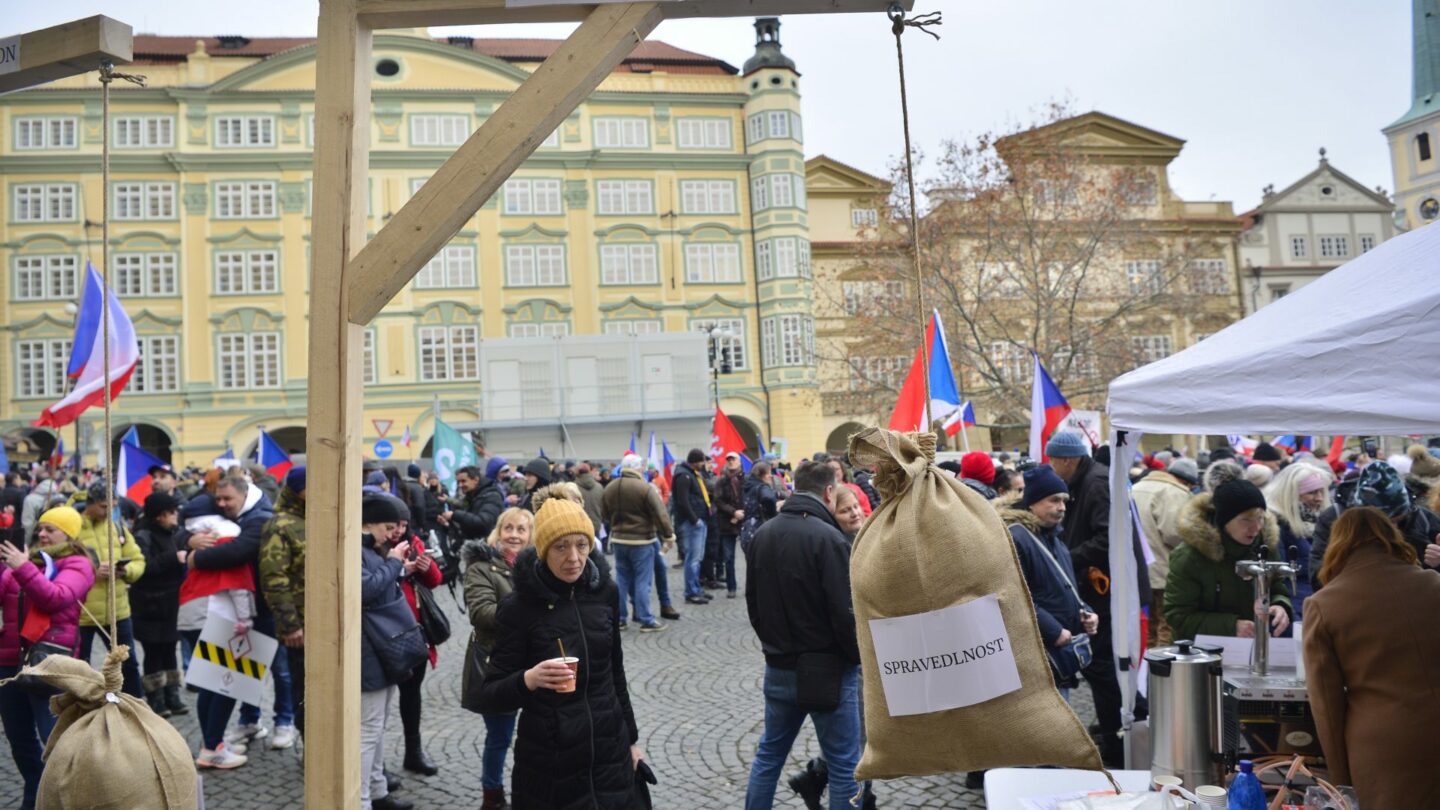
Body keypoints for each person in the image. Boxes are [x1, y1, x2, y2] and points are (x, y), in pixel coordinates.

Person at [476, 498, 646, 809]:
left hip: (610, 752)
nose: (574, 557)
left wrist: (631, 741)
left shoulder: (605, 593)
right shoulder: (519, 608)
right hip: (551, 762)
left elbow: (615, 672)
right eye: (561, 547)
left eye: (582, 545)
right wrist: (529, 678)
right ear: (542, 549)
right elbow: (489, 694)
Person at [1303, 507, 1440, 806]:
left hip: (1383, 749)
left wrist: (1341, 780)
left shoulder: (1323, 605)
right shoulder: (1433, 584)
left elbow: (1326, 704)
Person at [745, 461, 861, 810]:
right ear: (829, 492)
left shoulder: (763, 534)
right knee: (844, 765)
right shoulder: (829, 539)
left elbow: (753, 606)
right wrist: (855, 657)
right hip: (828, 670)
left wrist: (773, 646)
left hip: (779, 665)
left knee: (769, 755)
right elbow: (844, 613)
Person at [1043, 431, 1139, 766]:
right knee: (1102, 665)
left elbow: (1108, 538)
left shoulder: (1095, 482)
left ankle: (1117, 744)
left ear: (1068, 460)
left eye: (1053, 461)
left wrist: (1067, 558)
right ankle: (1121, 728)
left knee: (1101, 665)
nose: (1051, 467)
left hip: (1103, 590)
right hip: (1094, 586)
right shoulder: (1086, 480)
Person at [186, 475, 294, 751]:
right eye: (219, 499)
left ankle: (283, 722)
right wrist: (191, 540)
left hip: (262, 612)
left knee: (272, 673)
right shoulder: (232, 515)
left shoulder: (260, 518)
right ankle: (232, 733)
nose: (222, 505)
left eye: (227, 499)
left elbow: (236, 551)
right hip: (235, 613)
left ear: (245, 495)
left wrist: (194, 558)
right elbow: (187, 524)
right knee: (227, 680)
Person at [0, 506, 96, 810]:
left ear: (68, 534)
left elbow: (55, 598)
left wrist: (22, 567)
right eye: (40, 528)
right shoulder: (31, 561)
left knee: (55, 742)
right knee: (19, 740)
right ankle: (36, 793)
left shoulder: (78, 564)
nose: (42, 534)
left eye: (50, 530)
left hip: (49, 663)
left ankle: (63, 800)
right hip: (10, 660)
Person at [1000, 466, 1104, 699]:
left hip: (1057, 650)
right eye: (1054, 500)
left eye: (1065, 501)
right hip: (1037, 653)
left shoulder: (1053, 536)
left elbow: (1065, 587)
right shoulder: (1017, 538)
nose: (1062, 507)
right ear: (1033, 502)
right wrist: (1053, 630)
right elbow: (1013, 596)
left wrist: (1085, 612)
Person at [462, 507, 534, 810]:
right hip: (496, 664)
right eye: (508, 528)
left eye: (521, 529)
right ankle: (492, 795)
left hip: (533, 662)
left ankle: (533, 791)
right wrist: (527, 609)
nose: (514, 535)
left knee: (537, 734)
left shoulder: (537, 565)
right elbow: (481, 614)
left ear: (531, 534)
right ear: (498, 531)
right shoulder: (481, 567)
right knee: (500, 736)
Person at [1167, 479, 1292, 639]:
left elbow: (1277, 587)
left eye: (1260, 518)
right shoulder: (1190, 557)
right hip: (1201, 652)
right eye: (1246, 520)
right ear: (1224, 521)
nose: (1256, 528)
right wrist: (1231, 626)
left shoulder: (1264, 546)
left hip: (1254, 645)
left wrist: (1279, 605)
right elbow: (1178, 615)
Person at [359, 495, 419, 810]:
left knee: (377, 726)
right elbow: (366, 589)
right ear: (368, 522)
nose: (390, 534)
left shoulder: (370, 548)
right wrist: (394, 562)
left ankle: (377, 792)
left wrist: (398, 566)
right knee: (368, 730)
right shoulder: (356, 548)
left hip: (380, 647)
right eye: (387, 526)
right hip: (369, 648)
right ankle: (361, 801)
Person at [384, 497, 444, 777]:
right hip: (383, 635)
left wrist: (423, 565)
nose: (398, 531)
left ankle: (413, 751)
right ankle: (375, 764)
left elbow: (434, 581)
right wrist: (396, 568)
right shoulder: (373, 547)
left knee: (412, 696)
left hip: (413, 633)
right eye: (393, 525)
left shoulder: (414, 542)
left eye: (403, 525)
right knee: (377, 705)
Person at [1308, 461, 1440, 589]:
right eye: (1384, 524)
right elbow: (1317, 578)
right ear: (1364, 517)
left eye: (1396, 520)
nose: (1392, 528)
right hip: (1356, 604)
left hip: (1411, 603)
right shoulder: (1334, 518)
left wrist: (1437, 564)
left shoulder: (1423, 519)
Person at [74, 481, 146, 698]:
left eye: (113, 507)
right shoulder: (73, 527)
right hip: (83, 613)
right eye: (105, 507)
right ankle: (82, 708)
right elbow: (60, 565)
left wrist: (125, 571)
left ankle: (135, 705)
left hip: (118, 610)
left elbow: (138, 559)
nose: (109, 512)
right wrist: (93, 573)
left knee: (129, 665)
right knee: (81, 668)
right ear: (91, 503)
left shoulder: (117, 527)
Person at [130, 491, 192, 717]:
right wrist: (172, 558)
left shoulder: (172, 533)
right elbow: (145, 568)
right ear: (160, 516)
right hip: (150, 605)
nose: (177, 515)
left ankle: (172, 695)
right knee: (153, 651)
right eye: (172, 512)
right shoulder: (143, 535)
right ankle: (156, 698)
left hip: (170, 604)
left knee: (169, 650)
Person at [259, 467, 308, 739]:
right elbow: (274, 578)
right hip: (300, 624)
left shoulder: (317, 518)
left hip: (322, 620)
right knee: (302, 688)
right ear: (299, 491)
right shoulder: (279, 525)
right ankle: (309, 743)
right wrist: (290, 625)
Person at [602, 455, 675, 631]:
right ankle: (646, 619)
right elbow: (660, 513)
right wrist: (668, 535)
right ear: (637, 468)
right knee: (643, 581)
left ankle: (620, 618)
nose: (643, 469)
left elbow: (604, 514)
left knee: (621, 579)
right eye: (641, 467)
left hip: (619, 540)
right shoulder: (644, 488)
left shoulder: (610, 487)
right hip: (641, 541)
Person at [1131, 458, 1197, 646]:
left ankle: (1146, 671)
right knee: (1166, 626)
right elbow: (1174, 533)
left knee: (1148, 627)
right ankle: (1161, 672)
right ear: (1186, 482)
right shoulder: (1174, 492)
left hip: (1139, 570)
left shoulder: (1136, 487)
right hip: (1164, 569)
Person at [1263, 463, 1333, 619]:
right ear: (1293, 494)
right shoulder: (1276, 524)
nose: (1319, 498)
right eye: (1311, 492)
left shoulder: (1324, 522)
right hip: (1298, 610)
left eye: (1321, 491)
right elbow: (1278, 578)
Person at [671, 449, 714, 606]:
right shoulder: (684, 475)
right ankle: (691, 592)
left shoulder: (692, 473)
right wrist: (694, 519)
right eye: (702, 461)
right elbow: (683, 501)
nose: (703, 465)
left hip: (698, 520)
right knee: (692, 559)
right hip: (692, 523)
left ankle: (696, 588)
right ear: (696, 461)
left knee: (697, 558)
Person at [440, 464, 506, 547]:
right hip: (473, 548)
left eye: (463, 481)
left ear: (475, 480)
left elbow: (483, 523)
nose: (460, 485)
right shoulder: (471, 496)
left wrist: (455, 515)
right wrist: (448, 524)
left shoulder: (492, 497)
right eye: (458, 482)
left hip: (486, 549)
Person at [714, 452, 748, 598]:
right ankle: (731, 587)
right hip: (727, 523)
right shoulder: (721, 481)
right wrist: (734, 513)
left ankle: (751, 586)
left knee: (750, 556)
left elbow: (750, 497)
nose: (731, 462)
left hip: (745, 522)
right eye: (729, 460)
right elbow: (719, 501)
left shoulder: (746, 479)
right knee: (728, 558)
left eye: (733, 460)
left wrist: (743, 512)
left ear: (739, 462)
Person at [574, 462, 605, 537]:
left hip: (579, 526)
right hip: (596, 525)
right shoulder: (599, 487)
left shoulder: (573, 488)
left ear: (577, 473)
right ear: (589, 471)